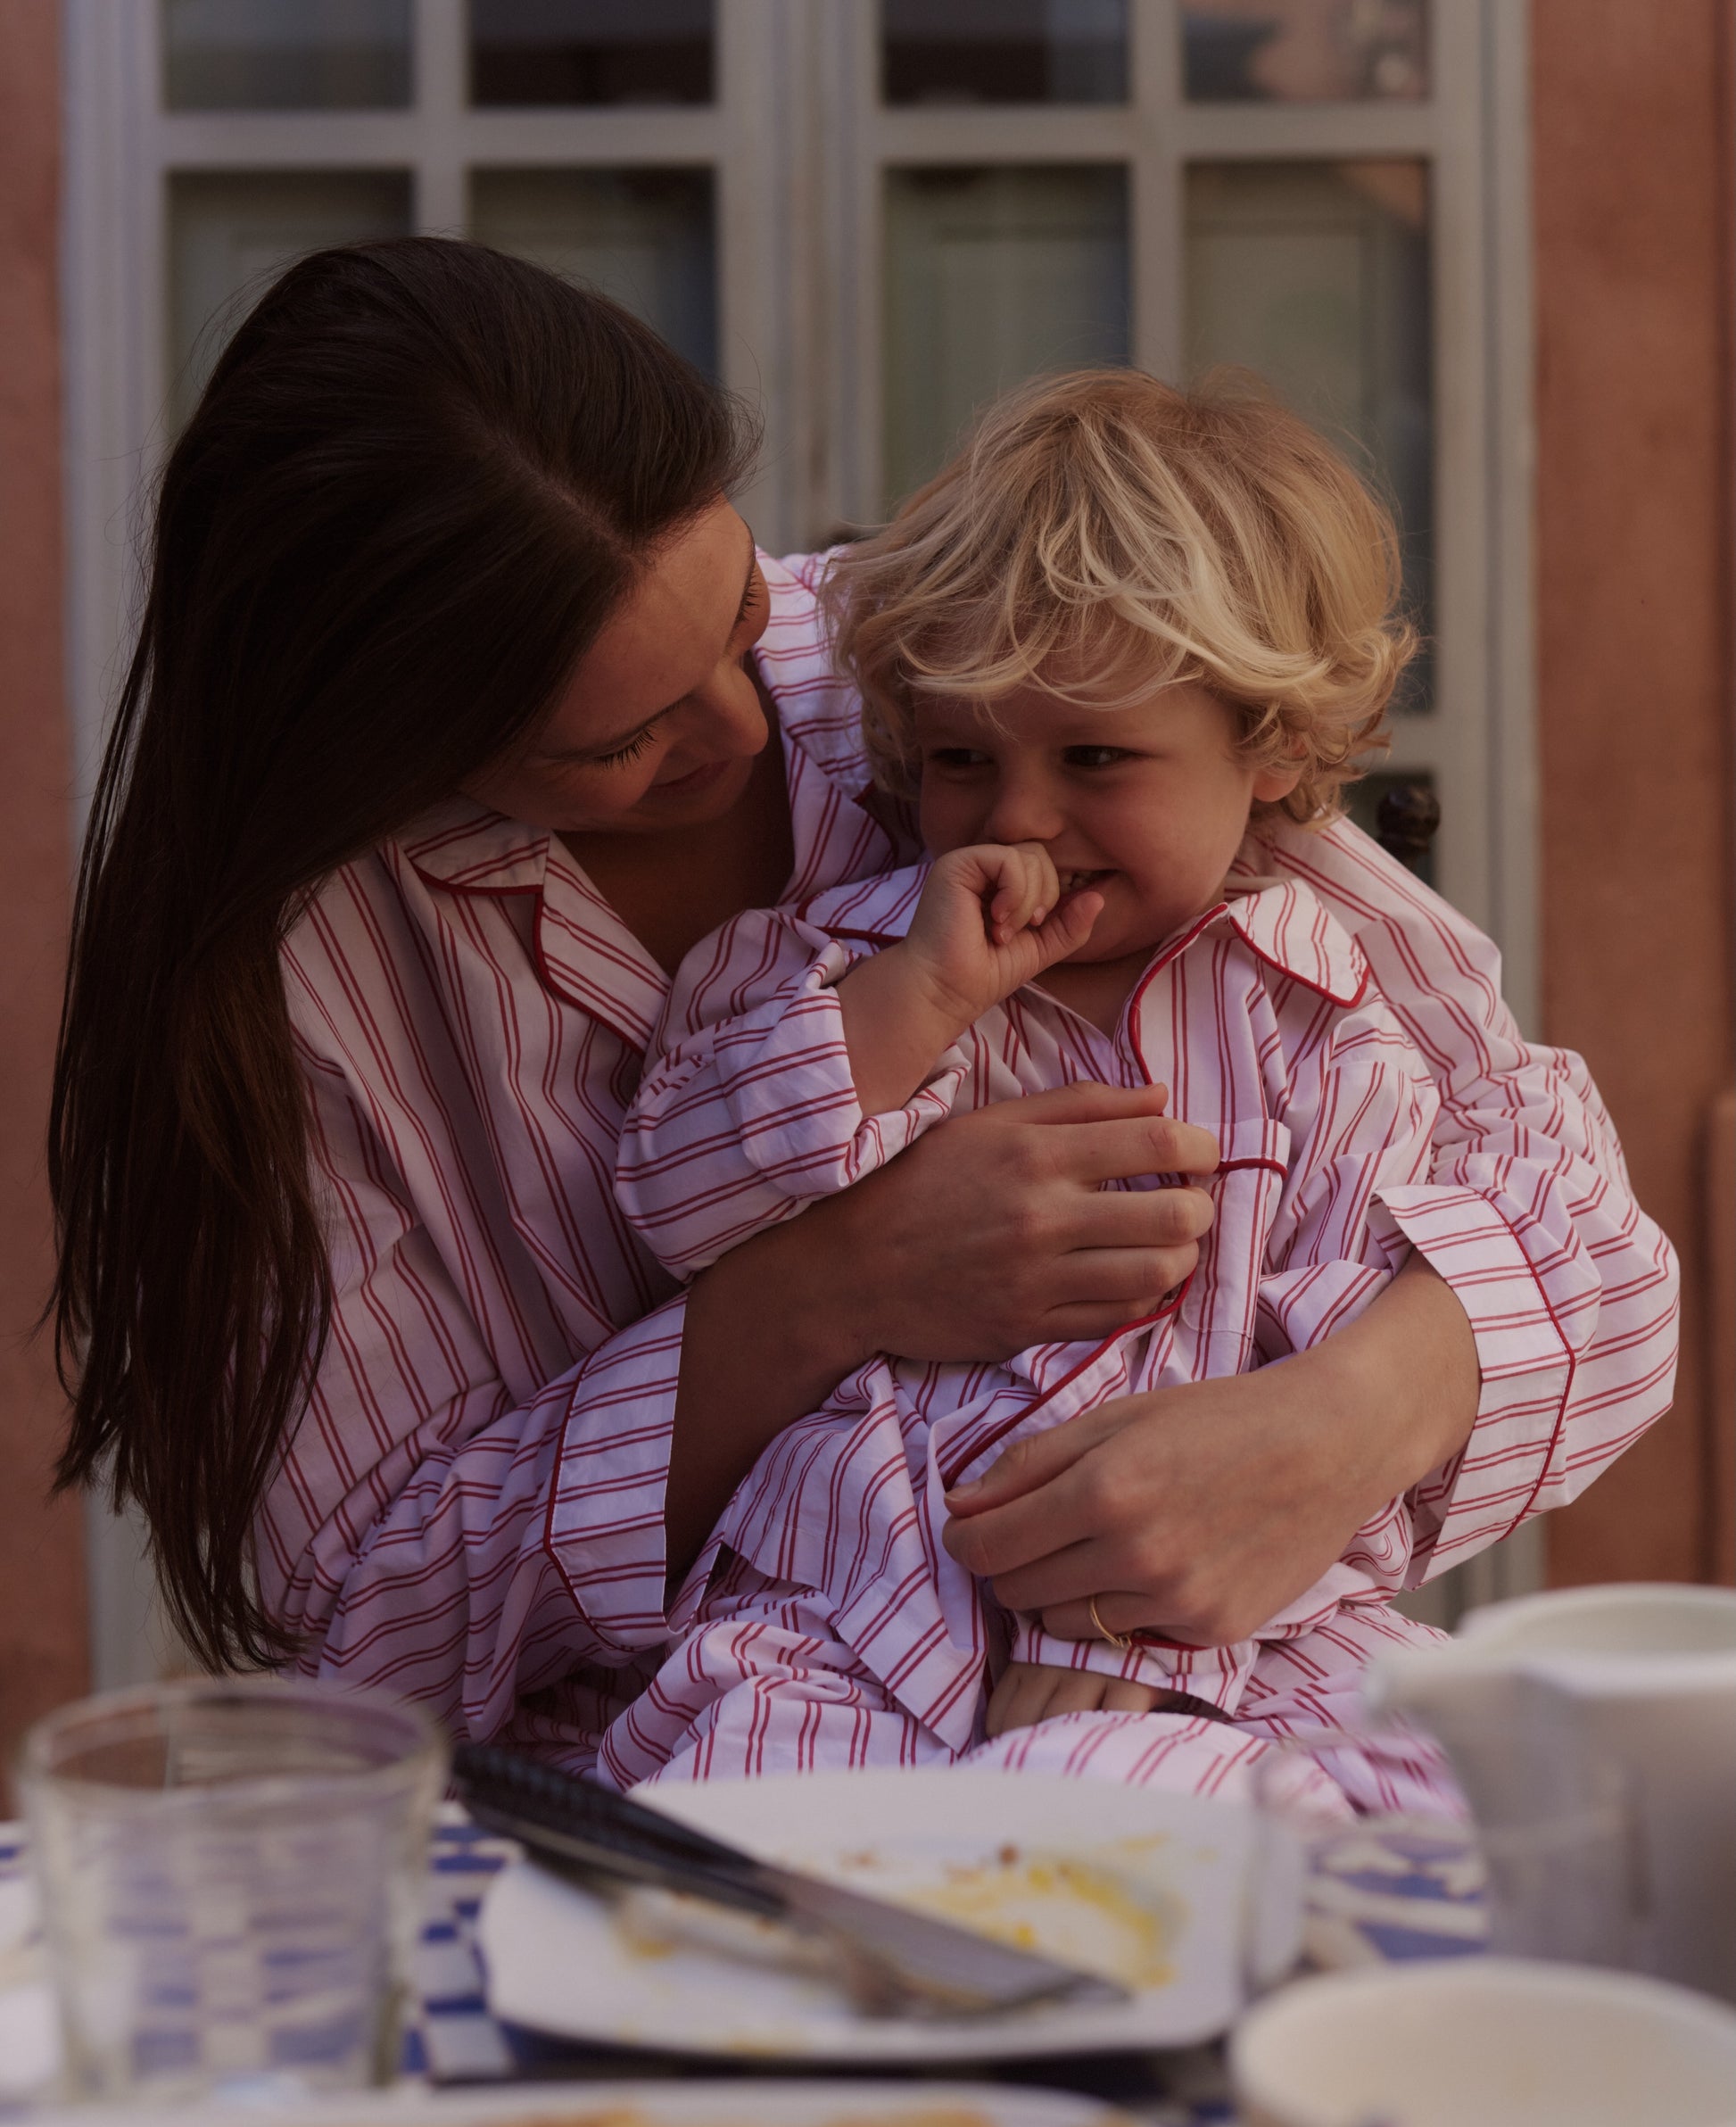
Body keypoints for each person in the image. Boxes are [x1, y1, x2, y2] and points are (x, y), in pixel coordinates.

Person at [49, 241, 1675, 1785]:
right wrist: (824, 1292)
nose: (752, 728)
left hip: (1203, 1701)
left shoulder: (967, 665)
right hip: (708, 1779)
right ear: (392, 744)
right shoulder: (309, 977)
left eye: (738, 621)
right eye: (612, 742)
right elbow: (366, 1638)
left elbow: (1591, 1243)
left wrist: (1336, 1424)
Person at [602, 373, 1492, 1802]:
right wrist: (910, 1008)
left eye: (1095, 758)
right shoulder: (815, 966)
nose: (1018, 816)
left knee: (1359, 1840)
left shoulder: (1324, 1027)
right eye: (962, 757)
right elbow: (668, 1201)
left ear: (1265, 748)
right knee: (745, 1872)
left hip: (1220, 1666)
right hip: (839, 1624)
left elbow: (1332, 1448)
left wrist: (1166, 1637)